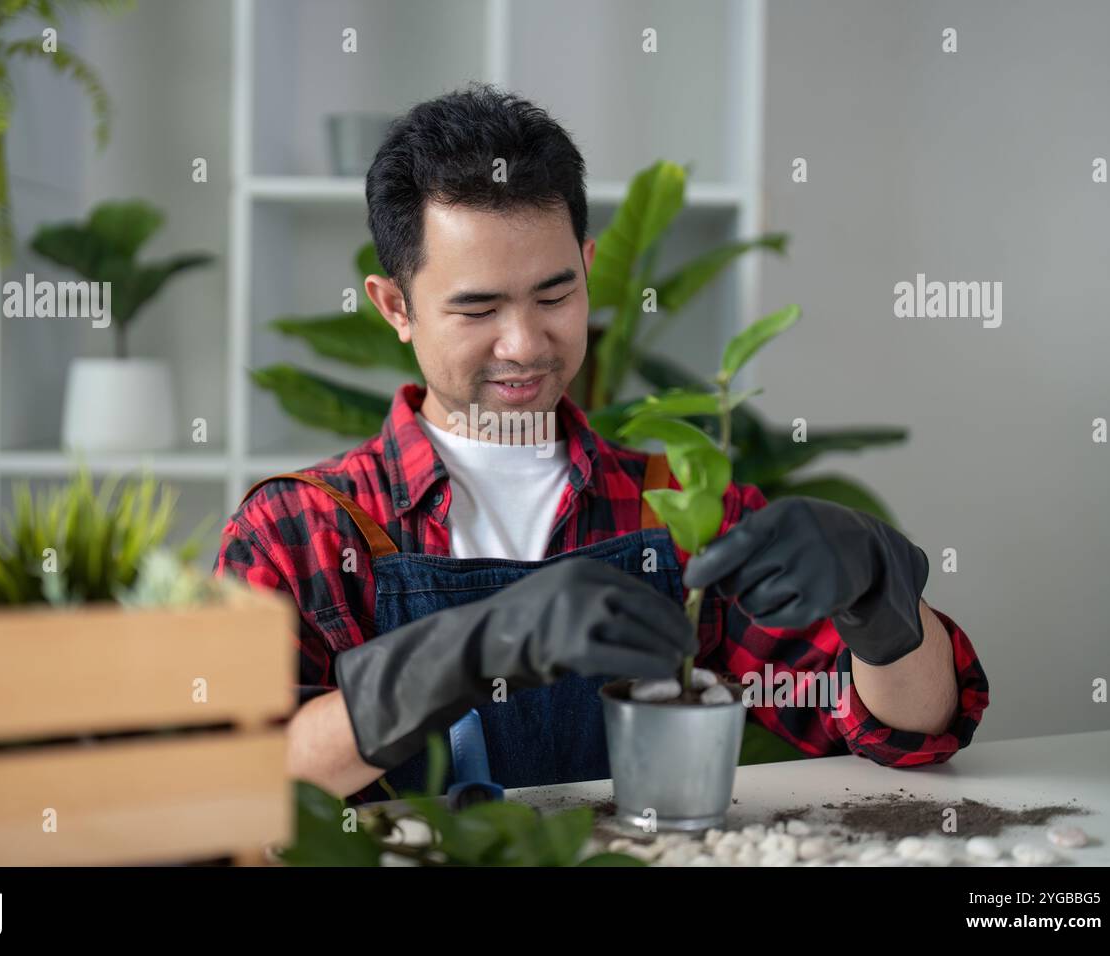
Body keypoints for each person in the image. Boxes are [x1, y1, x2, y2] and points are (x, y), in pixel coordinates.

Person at [214, 83, 989, 805]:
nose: (523, 343)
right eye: (477, 309)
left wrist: (881, 605)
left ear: (588, 270)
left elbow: (913, 734)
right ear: (395, 306)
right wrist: (463, 652)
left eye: (554, 295)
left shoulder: (673, 507)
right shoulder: (301, 531)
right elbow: (234, 777)